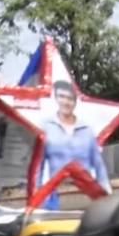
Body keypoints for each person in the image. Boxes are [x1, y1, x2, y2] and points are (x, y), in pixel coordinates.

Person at [39, 80, 110, 210]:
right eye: (61, 97)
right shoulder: (45, 128)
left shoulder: (86, 130)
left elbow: (98, 164)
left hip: (86, 195)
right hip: (56, 196)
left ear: (75, 101)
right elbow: (38, 166)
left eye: (70, 98)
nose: (65, 102)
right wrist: (37, 199)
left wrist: (106, 194)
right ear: (55, 98)